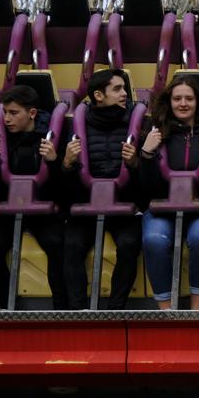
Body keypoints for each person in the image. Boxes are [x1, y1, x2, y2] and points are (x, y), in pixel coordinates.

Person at [137, 73, 199, 310]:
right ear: (169, 101)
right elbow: (147, 190)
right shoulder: (155, 133)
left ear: (198, 102)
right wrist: (146, 156)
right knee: (154, 239)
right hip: (162, 206)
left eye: (189, 98)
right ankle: (167, 311)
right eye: (177, 99)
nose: (183, 104)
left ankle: (196, 311)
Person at [60, 68, 143, 310]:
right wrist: (66, 163)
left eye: (124, 88)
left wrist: (135, 164)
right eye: (117, 89)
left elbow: (147, 180)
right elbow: (66, 184)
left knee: (129, 244)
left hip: (123, 202)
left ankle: (115, 309)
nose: (124, 93)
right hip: (88, 201)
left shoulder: (135, 122)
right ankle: (78, 310)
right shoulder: (78, 123)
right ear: (98, 95)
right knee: (72, 245)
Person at [0, 85, 67, 308]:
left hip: (41, 207)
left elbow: (62, 188)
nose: (7, 119)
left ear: (31, 113)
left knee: (55, 243)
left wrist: (53, 161)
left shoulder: (51, 137)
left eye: (14, 113)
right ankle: (9, 307)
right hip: (6, 208)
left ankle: (61, 308)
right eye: (5, 113)